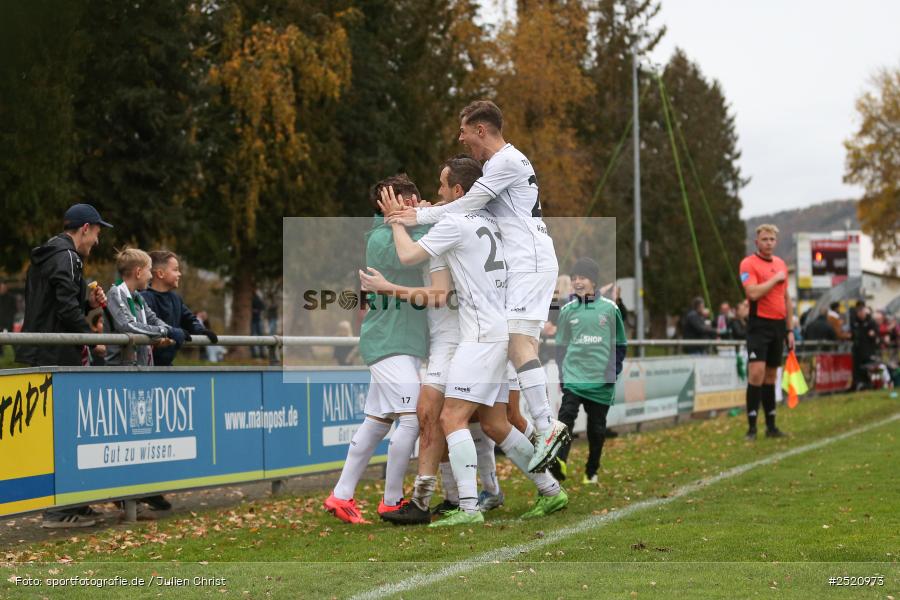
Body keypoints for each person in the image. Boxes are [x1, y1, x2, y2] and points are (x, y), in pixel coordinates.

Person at [389, 100, 569, 473]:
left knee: (519, 344)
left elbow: (467, 203)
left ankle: (547, 426)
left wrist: (415, 216)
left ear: (481, 130)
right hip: (529, 259)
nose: (461, 138)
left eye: (464, 131)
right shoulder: (501, 163)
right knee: (522, 350)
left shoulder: (504, 162)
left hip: (529, 259)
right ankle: (544, 445)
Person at [381, 178, 567, 527]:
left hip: (480, 334)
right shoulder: (490, 221)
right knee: (496, 423)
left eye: (443, 187)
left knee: (450, 418)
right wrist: (421, 212)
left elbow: (408, 255)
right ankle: (551, 489)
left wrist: (395, 219)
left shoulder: (455, 222)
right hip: (504, 327)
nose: (439, 196)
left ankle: (466, 508)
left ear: (459, 192)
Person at [323, 175, 430, 525]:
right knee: (412, 420)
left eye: (415, 198)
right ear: (390, 204)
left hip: (399, 342)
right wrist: (430, 218)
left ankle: (340, 495)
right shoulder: (384, 238)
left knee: (376, 423)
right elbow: (420, 253)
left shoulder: (394, 231)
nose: (416, 203)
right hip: (389, 343)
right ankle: (392, 500)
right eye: (407, 200)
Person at [17, 203, 111, 528]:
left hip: (41, 351)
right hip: (54, 355)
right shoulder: (67, 257)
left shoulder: (51, 255)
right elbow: (66, 310)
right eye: (97, 232)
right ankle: (58, 511)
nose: (96, 241)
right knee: (64, 432)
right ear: (85, 228)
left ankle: (71, 503)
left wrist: (87, 302)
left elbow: (59, 304)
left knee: (62, 432)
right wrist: (91, 339)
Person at [551, 257, 626, 485]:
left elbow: (620, 345)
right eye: (574, 278)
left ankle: (591, 470)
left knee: (596, 429)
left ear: (593, 281)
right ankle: (559, 462)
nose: (577, 282)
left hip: (600, 380)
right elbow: (561, 347)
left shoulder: (610, 309)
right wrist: (563, 376)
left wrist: (611, 371)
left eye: (582, 277)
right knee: (565, 418)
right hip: (575, 376)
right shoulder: (567, 311)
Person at [739, 224, 791, 440]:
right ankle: (752, 427)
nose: (768, 243)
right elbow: (752, 293)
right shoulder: (748, 264)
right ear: (756, 242)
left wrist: (790, 330)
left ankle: (771, 426)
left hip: (779, 326)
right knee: (756, 373)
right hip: (759, 325)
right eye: (765, 239)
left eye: (772, 239)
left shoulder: (781, 264)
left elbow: (787, 298)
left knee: (771, 375)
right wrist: (774, 280)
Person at [141, 251, 218, 367]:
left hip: (167, 366)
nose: (179, 274)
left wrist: (201, 330)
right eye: (175, 269)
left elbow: (189, 319)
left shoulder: (176, 299)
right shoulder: (144, 298)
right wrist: (172, 332)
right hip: (146, 366)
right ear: (160, 274)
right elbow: (147, 326)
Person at [103, 249, 174, 367]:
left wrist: (169, 329)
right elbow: (128, 325)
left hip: (141, 369)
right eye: (149, 270)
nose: (151, 276)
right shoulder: (115, 293)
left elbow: (153, 319)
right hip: (120, 373)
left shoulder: (138, 297)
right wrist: (163, 331)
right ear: (138, 272)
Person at [851, 304, 878, 390]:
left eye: (862, 312)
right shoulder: (855, 322)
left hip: (869, 349)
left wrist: (873, 334)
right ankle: (860, 384)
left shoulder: (871, 322)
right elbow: (853, 334)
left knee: (869, 366)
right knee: (858, 368)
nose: (860, 314)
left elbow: (876, 333)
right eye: (859, 312)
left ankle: (872, 383)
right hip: (858, 350)